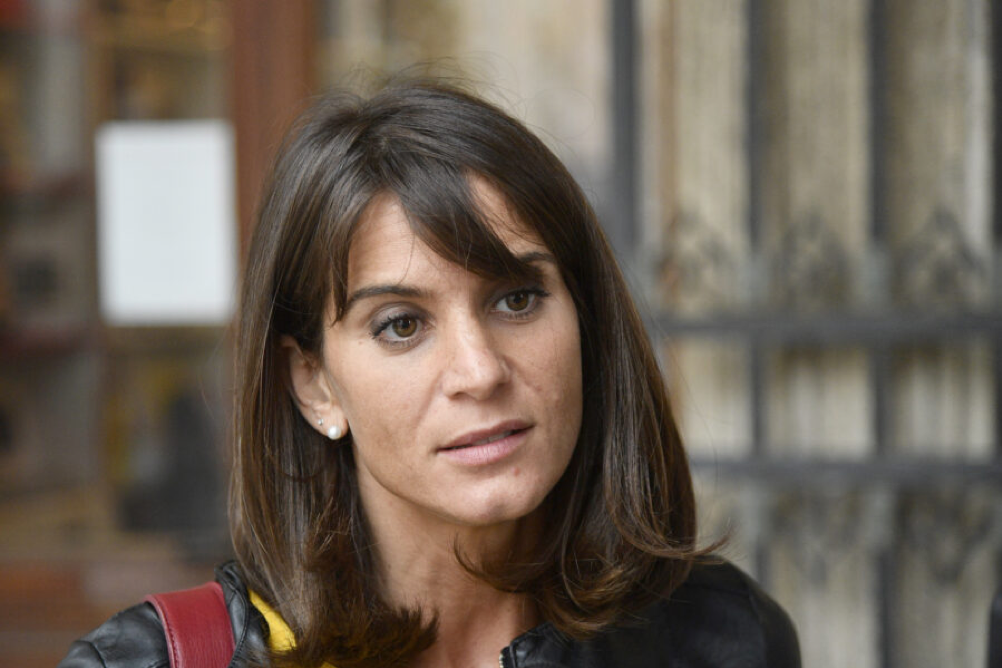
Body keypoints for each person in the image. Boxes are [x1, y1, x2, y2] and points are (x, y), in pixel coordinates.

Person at [59, 78, 800, 668]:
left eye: (517, 299)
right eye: (401, 325)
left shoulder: (721, 639)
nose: (479, 371)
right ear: (314, 384)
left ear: (587, 320)